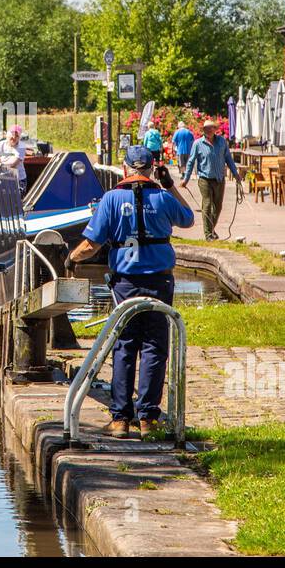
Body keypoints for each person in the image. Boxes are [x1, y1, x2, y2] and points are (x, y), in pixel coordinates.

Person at [68, 146, 194, 439]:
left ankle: (120, 420)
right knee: (154, 347)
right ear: (152, 169)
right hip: (160, 282)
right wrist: (170, 185)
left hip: (124, 283)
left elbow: (92, 244)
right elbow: (188, 219)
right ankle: (149, 419)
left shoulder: (111, 200)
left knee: (124, 346)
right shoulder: (163, 197)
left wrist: (71, 258)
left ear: (125, 169)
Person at [182, 119, 240, 240]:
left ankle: (212, 229)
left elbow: (228, 158)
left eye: (210, 128)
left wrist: (236, 174)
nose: (208, 130)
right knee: (207, 204)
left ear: (215, 129)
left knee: (218, 206)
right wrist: (186, 179)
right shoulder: (198, 143)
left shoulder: (222, 142)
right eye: (206, 128)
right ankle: (208, 234)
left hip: (219, 179)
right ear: (203, 130)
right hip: (205, 179)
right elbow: (191, 162)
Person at [0, 124, 28, 195]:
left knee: (16, 202)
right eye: (12, 134)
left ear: (19, 138)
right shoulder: (1, 144)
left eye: (17, 136)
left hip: (18, 180)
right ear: (7, 135)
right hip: (3, 178)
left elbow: (13, 164)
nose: (14, 137)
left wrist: (0, 164)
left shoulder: (21, 146)